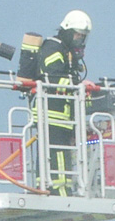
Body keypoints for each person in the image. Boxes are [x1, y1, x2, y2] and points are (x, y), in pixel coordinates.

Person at [29, 10, 96, 193]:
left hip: (63, 119)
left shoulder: (66, 52)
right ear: (67, 31)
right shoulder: (53, 48)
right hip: (52, 115)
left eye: (82, 37)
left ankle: (59, 190)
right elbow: (52, 78)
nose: (80, 40)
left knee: (62, 157)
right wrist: (79, 85)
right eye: (77, 35)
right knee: (57, 158)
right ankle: (58, 192)